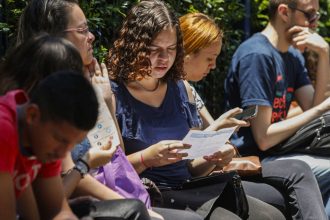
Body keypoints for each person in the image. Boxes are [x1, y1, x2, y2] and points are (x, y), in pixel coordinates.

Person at [16, 1, 204, 219]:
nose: (92, 36)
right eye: (82, 30)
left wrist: (105, 102)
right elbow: (52, 199)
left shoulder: (88, 85)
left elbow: (114, 159)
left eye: (171, 49)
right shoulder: (29, 107)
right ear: (51, 37)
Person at [107, 0, 286, 219]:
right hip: (151, 195)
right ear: (133, 45)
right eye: (155, 50)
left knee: (272, 215)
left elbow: (191, 166)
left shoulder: (182, 88)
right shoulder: (113, 95)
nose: (164, 58)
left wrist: (214, 157)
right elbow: (110, 172)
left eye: (171, 49)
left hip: (191, 190)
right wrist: (147, 158)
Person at [180, 12, 327, 219]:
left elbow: (217, 140)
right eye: (210, 59)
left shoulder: (188, 90)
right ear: (187, 53)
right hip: (210, 176)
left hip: (223, 168)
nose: (213, 66)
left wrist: (325, 53)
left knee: (298, 173)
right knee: (296, 177)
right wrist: (219, 134)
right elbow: (191, 157)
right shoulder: (257, 55)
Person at [224, 0, 330, 218]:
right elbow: (263, 137)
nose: (314, 24)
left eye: (316, 17)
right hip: (256, 156)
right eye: (310, 15)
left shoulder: (292, 55)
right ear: (284, 12)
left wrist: (325, 53)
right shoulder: (257, 56)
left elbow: (312, 106)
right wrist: (323, 109)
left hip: (281, 150)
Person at [0, 70, 99, 220]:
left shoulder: (41, 141)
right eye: (61, 139)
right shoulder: (4, 131)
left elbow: (56, 211)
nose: (63, 153)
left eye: (74, 144)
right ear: (32, 115)